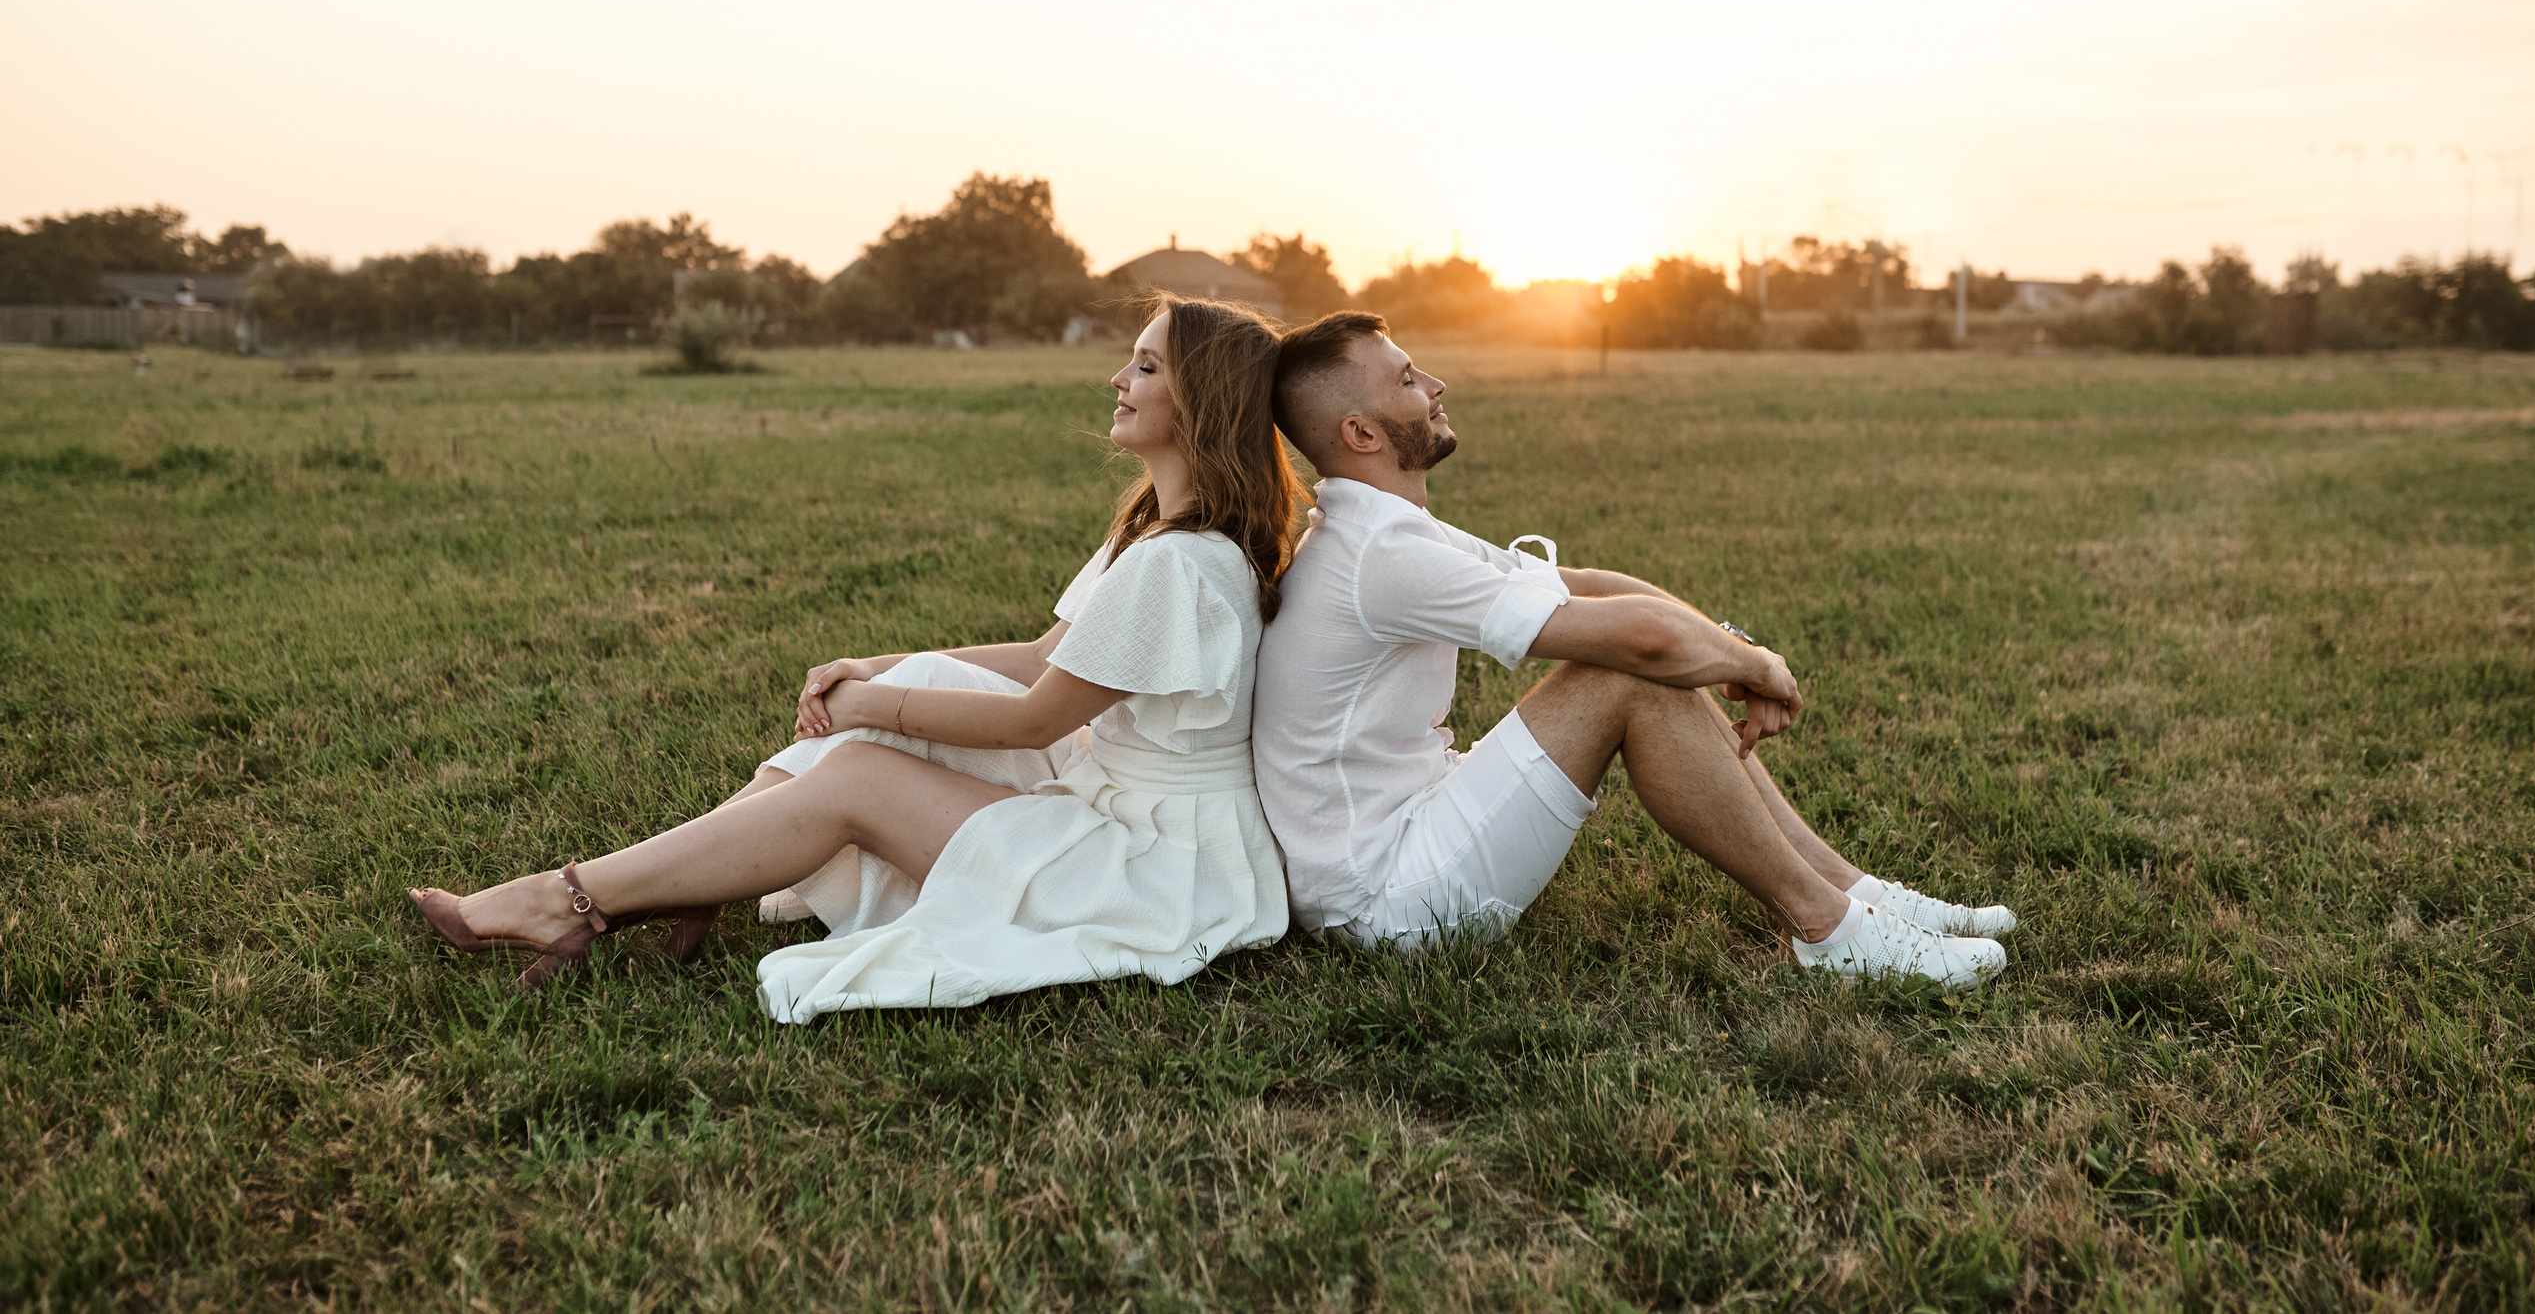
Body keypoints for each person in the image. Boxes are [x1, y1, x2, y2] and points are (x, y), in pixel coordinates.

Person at [411, 297, 1301, 1022]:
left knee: (859, 774)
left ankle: (569, 900)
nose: (1118, 378)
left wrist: (871, 707)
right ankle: (681, 877)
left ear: (1201, 401)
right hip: (1124, 812)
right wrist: (877, 667)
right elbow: (1041, 656)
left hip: (1157, 867)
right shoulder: (1154, 532)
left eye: (1146, 366)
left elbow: (1036, 717)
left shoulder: (1178, 564)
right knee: (925, 678)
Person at [1252, 311, 2016, 988]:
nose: (1435, 384)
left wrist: (1722, 645)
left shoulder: (1384, 527)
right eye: (1408, 379)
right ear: (1361, 433)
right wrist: (1756, 667)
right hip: (1382, 900)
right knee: (1630, 675)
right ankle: (1831, 929)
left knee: (1643, 659)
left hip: (1408, 831)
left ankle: (1854, 891)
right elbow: (1644, 639)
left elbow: (1587, 585)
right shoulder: (1379, 553)